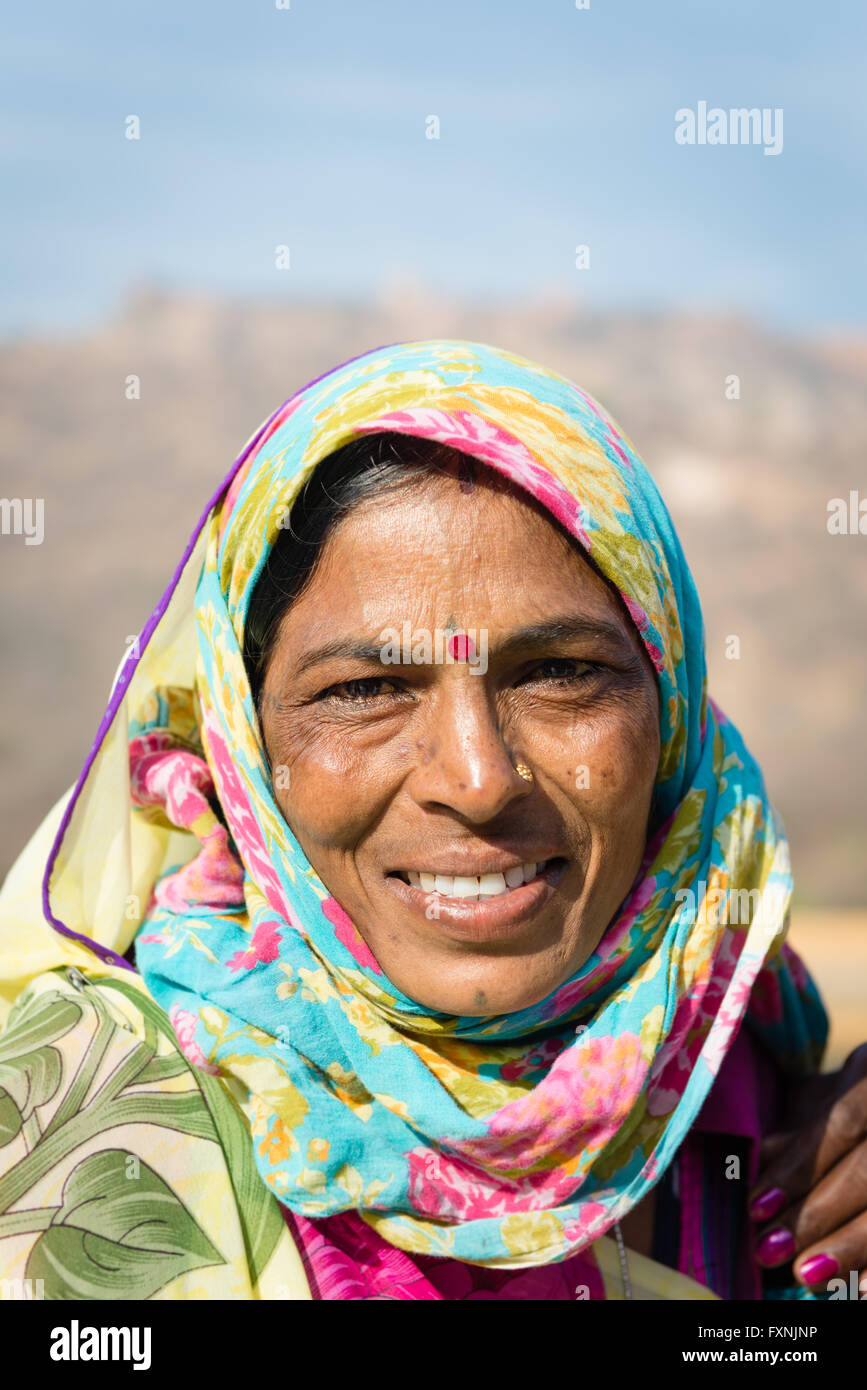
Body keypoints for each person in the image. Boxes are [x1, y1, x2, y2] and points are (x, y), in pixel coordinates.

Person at [0, 339, 864, 1301]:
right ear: (244, 747)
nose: (480, 780)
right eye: (365, 688)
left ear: (669, 712)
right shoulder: (91, 1116)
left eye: (560, 673)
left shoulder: (751, 1083)